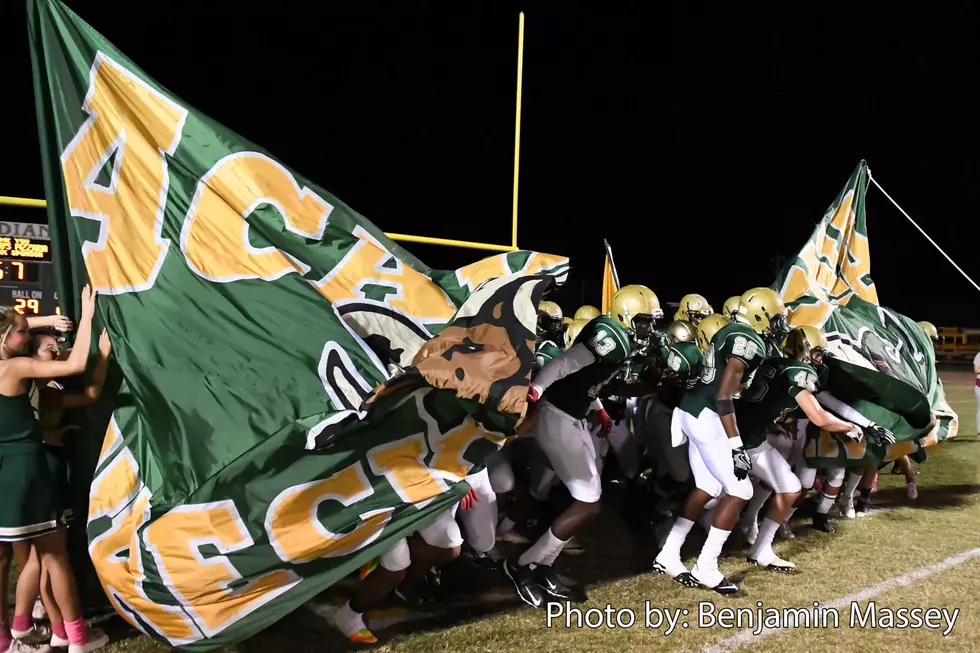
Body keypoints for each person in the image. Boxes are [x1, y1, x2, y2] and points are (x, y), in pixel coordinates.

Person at [503, 285, 660, 608]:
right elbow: (564, 364)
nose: (649, 328)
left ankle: (542, 564)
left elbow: (587, 380)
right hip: (556, 416)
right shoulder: (611, 336)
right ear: (627, 315)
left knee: (591, 503)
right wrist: (536, 389)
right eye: (644, 321)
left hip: (571, 415)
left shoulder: (620, 341)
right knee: (587, 503)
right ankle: (524, 564)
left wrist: (597, 407)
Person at [653, 287, 789, 595]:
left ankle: (668, 553)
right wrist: (736, 445)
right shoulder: (749, 341)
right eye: (776, 318)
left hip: (692, 408)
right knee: (740, 489)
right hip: (708, 415)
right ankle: (706, 566)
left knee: (708, 487)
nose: (779, 324)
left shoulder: (731, 330)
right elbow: (725, 394)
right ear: (761, 315)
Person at [0, 287, 108, 653]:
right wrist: (89, 315)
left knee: (29, 557)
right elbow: (75, 366)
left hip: (7, 471)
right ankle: (75, 637)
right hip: (27, 468)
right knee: (53, 555)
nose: (27, 336)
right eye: (21, 332)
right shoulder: (14, 367)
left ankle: (27, 629)